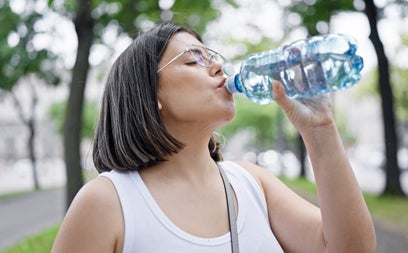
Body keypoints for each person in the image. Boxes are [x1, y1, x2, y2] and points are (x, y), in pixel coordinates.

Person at [52, 22, 376, 253]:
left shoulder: (251, 183)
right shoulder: (107, 203)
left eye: (214, 56)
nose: (219, 66)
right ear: (150, 95)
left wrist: (320, 129)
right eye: (194, 60)